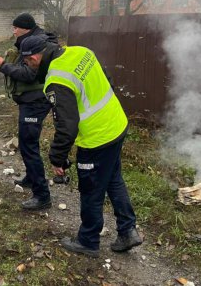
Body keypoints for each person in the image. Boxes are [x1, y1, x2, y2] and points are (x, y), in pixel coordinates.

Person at [20, 35, 142, 258]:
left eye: (27, 61)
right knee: (114, 179)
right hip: (116, 123)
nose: (27, 66)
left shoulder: (56, 79)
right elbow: (107, 79)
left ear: (35, 57)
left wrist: (57, 158)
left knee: (91, 190)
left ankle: (88, 240)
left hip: (97, 139)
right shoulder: (80, 51)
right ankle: (127, 230)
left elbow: (67, 126)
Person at [0, 13, 57, 210]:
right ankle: (31, 177)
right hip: (31, 100)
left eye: (16, 27)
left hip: (35, 102)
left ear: (25, 28)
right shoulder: (30, 41)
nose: (14, 30)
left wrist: (3, 66)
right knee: (28, 143)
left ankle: (42, 195)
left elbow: (28, 74)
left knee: (28, 145)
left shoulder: (37, 46)